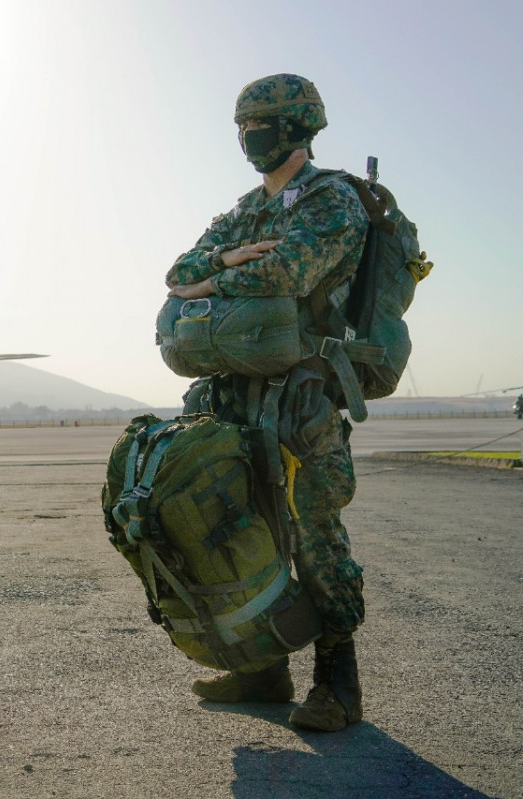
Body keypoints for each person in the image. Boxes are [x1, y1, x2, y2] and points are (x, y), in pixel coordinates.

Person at [164, 74, 369, 732]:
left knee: (315, 536)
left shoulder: (333, 198)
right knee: (244, 531)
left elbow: (290, 271)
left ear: (298, 126)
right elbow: (177, 273)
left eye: (263, 122)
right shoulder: (245, 210)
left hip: (306, 397)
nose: (249, 135)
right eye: (243, 123)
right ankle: (262, 667)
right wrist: (227, 257)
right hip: (234, 395)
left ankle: (337, 679)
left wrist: (216, 275)